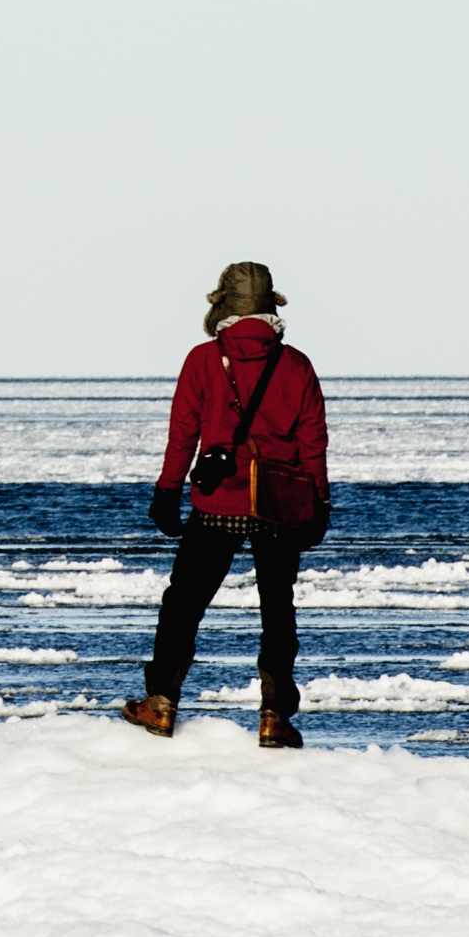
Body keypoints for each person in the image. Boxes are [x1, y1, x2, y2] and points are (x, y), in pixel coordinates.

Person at [125, 260, 331, 748]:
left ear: (223, 306)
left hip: (217, 502)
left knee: (184, 605)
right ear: (269, 309)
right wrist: (319, 501)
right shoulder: (296, 364)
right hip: (278, 505)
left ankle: (159, 705)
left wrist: (166, 490)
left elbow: (183, 433)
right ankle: (275, 717)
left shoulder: (202, 359)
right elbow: (313, 441)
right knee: (277, 611)